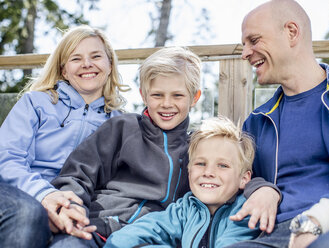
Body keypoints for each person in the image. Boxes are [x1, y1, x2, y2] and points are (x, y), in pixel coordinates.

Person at [227, 0, 329, 248]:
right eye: (244, 45)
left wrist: (322, 217)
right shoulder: (256, 123)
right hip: (273, 238)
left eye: (254, 40)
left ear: (292, 32)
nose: (245, 54)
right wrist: (261, 187)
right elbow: (235, 179)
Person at [48, 46, 202, 247]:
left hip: (147, 237)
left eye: (177, 96)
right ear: (144, 96)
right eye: (157, 95)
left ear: (194, 98)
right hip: (97, 226)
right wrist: (74, 209)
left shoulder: (196, 149)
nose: (166, 103)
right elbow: (78, 173)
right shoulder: (123, 128)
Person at [0, 25, 129, 244]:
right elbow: (7, 158)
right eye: (76, 58)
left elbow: (116, 188)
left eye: (96, 56)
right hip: (18, 192)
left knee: (73, 242)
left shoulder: (120, 123)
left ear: (110, 64)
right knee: (29, 213)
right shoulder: (36, 103)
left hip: (75, 208)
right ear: (63, 70)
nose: (87, 64)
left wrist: (69, 210)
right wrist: (45, 196)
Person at [104, 116, 261, 248]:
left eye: (222, 165)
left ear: (244, 179)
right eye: (201, 163)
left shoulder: (245, 211)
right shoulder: (185, 209)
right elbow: (125, 238)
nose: (208, 173)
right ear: (189, 170)